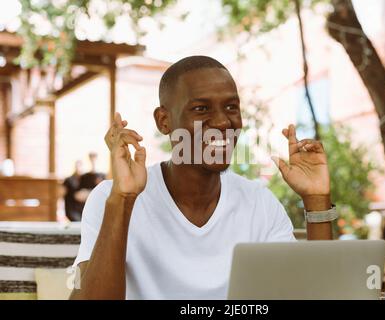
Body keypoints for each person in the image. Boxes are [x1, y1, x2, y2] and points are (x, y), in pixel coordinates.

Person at [70, 56, 334, 300]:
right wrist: (123, 200)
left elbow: (313, 296)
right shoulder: (110, 197)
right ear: (164, 121)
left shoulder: (259, 204)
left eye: (231, 106)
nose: (222, 122)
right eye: (201, 108)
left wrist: (316, 201)